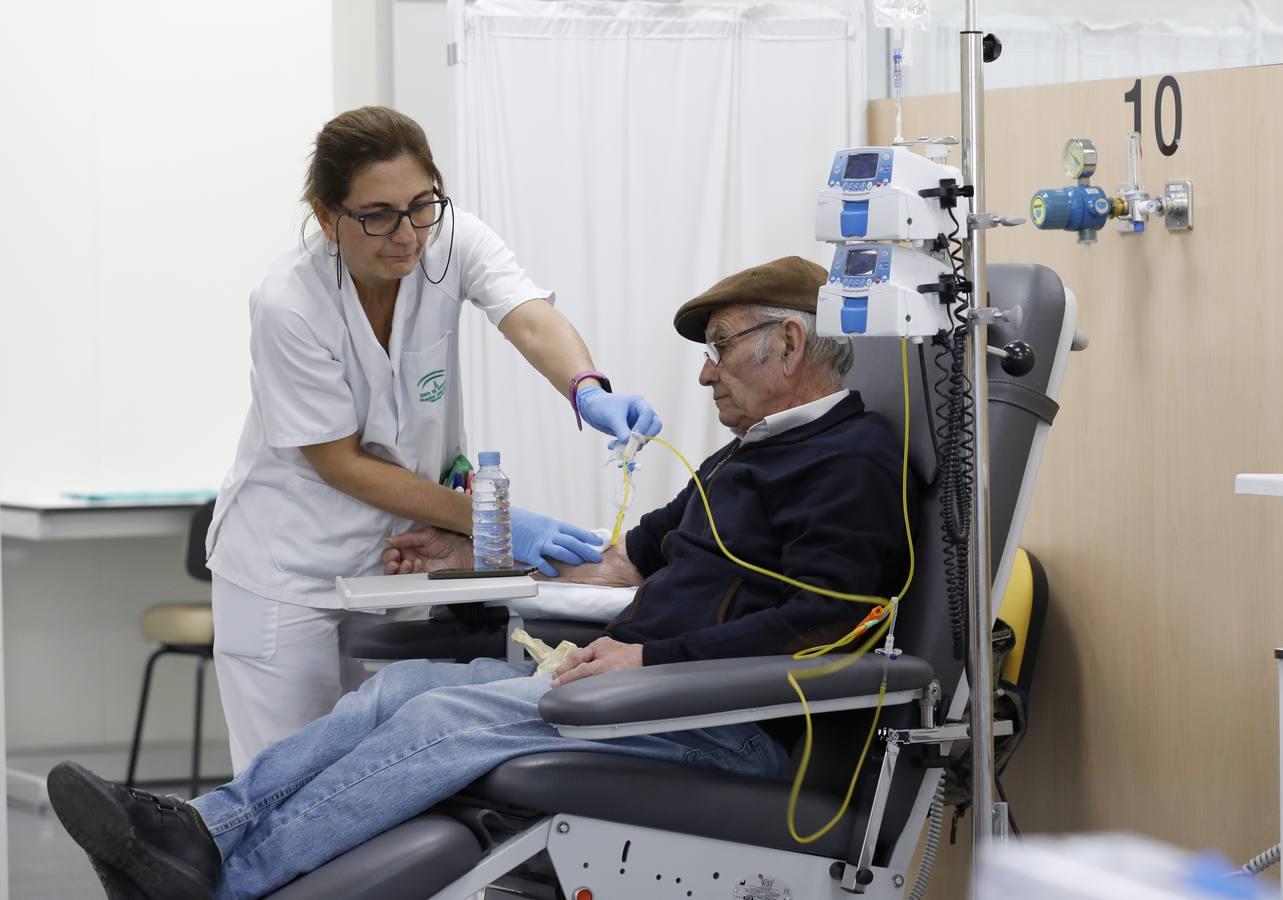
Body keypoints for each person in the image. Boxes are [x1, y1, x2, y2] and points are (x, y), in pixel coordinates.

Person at [49, 256, 913, 900]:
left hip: (727, 722)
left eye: (722, 346)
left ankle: (230, 884)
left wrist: (652, 665)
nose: (703, 370)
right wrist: (479, 556)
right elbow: (621, 563)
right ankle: (203, 828)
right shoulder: (744, 456)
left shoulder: (849, 460)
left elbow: (827, 623)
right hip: (647, 692)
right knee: (402, 690)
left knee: (444, 715)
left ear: (790, 340)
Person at [205, 106, 662, 770]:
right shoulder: (289, 303)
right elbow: (341, 464)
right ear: (327, 215)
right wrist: (498, 523)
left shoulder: (448, 241)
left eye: (422, 205)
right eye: (377, 214)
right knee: (281, 776)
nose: (406, 234)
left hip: (393, 565)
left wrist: (586, 386)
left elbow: (529, 318)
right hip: (286, 569)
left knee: (370, 770)